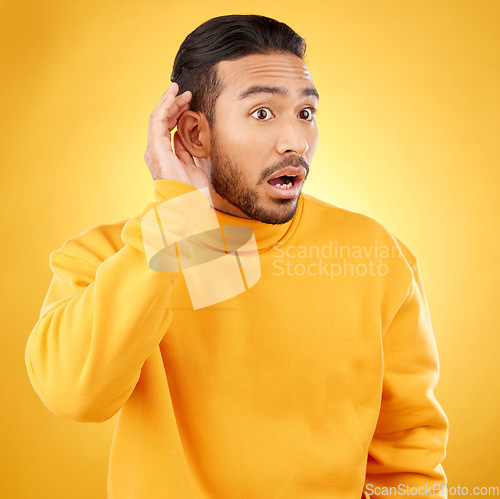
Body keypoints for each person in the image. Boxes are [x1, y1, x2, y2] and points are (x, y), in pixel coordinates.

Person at [25, 14, 449, 499]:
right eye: (263, 113)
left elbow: (408, 453)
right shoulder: (110, 257)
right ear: (193, 134)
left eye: (306, 113)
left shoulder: (372, 254)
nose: (295, 142)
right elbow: (75, 395)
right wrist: (177, 220)